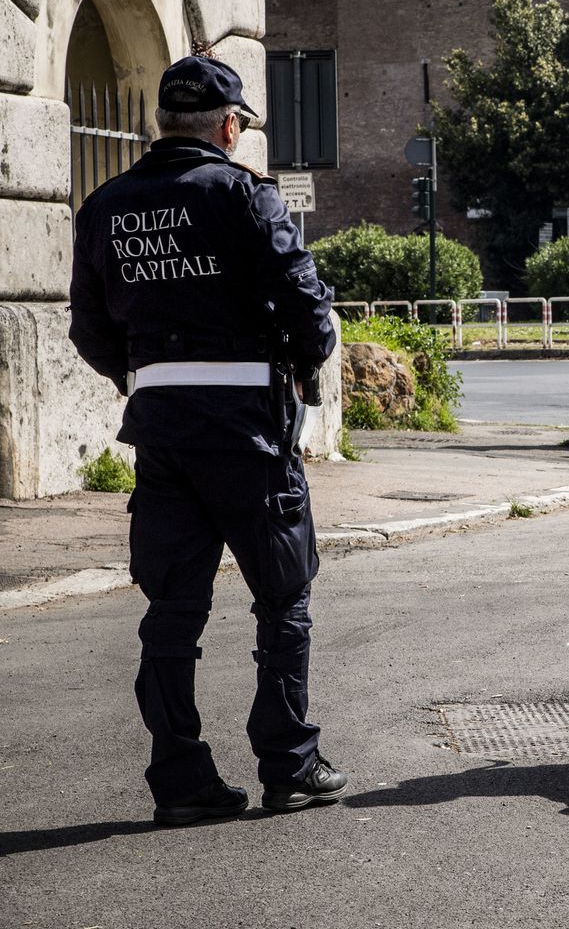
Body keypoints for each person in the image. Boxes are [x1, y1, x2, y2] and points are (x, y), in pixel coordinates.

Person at [69, 54, 348, 826]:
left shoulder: (105, 205)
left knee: (171, 607)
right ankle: (289, 764)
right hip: (249, 431)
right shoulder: (243, 194)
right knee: (283, 597)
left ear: (163, 123)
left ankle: (181, 776)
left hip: (161, 427)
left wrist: (148, 374)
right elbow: (310, 311)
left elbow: (89, 330)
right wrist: (300, 359)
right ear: (230, 127)